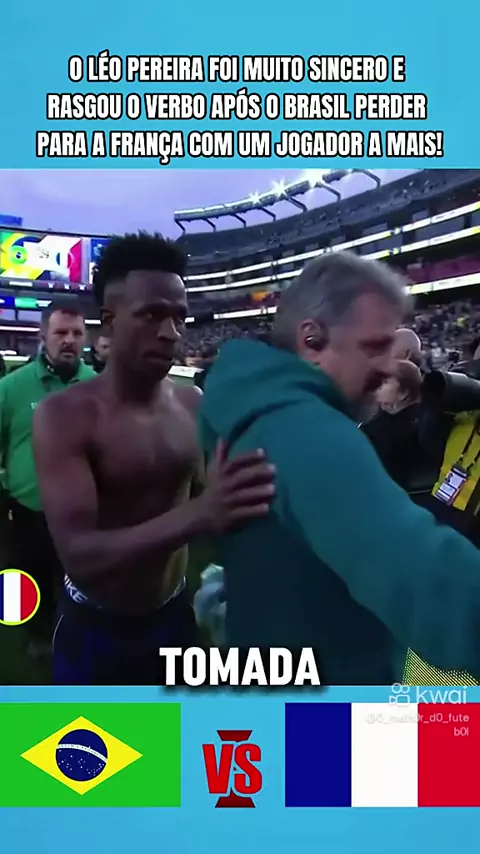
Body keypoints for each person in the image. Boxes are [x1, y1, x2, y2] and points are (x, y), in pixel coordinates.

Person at [198, 250, 480, 685]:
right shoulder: (306, 430)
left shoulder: (245, 395)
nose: (391, 366)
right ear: (311, 340)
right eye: (374, 347)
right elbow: (427, 579)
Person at [32, 233, 275, 686]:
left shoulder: (192, 404)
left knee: (174, 734)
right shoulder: (63, 416)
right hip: (95, 627)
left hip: (173, 617)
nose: (171, 332)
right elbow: (79, 554)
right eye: (151, 315)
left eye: (179, 316)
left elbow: (224, 504)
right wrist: (202, 513)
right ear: (109, 321)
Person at [0, 298, 94, 654]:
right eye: (60, 332)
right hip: (28, 509)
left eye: (76, 333)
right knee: (30, 574)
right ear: (43, 335)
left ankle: (73, 634)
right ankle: (38, 636)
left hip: (84, 512)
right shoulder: (12, 387)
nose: (69, 340)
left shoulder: (99, 387)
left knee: (79, 579)